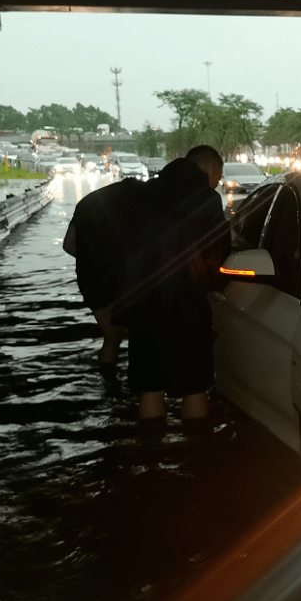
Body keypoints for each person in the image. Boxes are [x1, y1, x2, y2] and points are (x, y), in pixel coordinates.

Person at [118, 145, 231, 423]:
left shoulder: (140, 196)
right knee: (194, 388)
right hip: (188, 303)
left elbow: (121, 248)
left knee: (150, 388)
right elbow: (218, 251)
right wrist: (218, 282)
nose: (217, 182)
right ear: (207, 169)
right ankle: (194, 455)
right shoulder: (206, 198)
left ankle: (153, 453)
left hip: (143, 305)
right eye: (218, 175)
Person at [63, 174, 145, 377]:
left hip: (93, 281)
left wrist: (90, 262)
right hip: (129, 282)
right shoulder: (142, 204)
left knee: (110, 338)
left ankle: (107, 383)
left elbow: (68, 245)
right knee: (140, 339)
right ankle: (136, 391)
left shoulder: (88, 203)